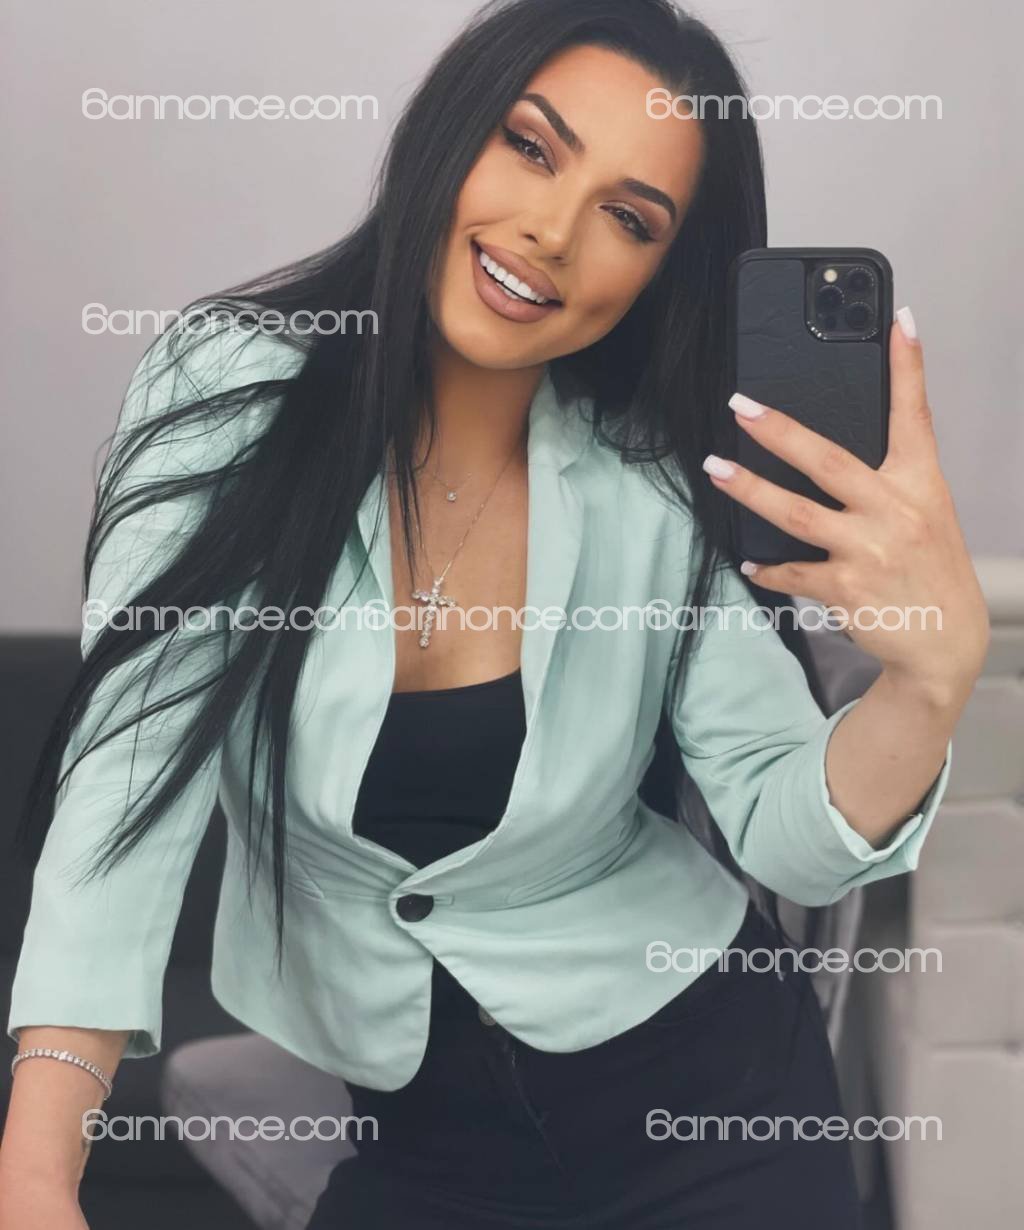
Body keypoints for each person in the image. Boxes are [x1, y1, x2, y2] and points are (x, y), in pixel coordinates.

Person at [0, 1, 987, 1226]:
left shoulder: (658, 481)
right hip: (423, 1146)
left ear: (659, 271)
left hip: (715, 1100)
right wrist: (36, 1171)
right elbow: (128, 778)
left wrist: (929, 684)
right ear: (448, 130)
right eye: (529, 146)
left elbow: (787, 836)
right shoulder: (228, 392)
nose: (551, 232)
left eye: (629, 218)